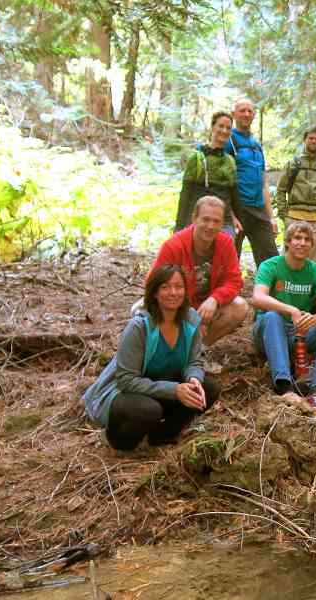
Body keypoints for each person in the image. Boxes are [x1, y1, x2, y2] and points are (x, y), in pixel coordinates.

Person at [83, 264, 221, 450]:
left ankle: (162, 436)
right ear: (154, 293)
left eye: (179, 287)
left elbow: (194, 361)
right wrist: (175, 390)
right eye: (165, 287)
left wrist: (193, 378)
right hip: (128, 391)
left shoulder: (190, 320)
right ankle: (116, 440)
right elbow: (126, 380)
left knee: (209, 388)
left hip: (162, 386)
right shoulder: (139, 327)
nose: (173, 293)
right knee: (148, 410)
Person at [251, 221, 316, 408]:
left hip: (299, 334)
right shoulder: (270, 266)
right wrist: (290, 309)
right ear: (287, 242)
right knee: (272, 316)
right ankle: (284, 386)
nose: (302, 243)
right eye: (297, 238)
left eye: (307, 239)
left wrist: (315, 318)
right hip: (268, 333)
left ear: (312, 245)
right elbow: (257, 298)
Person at [152, 196, 248, 345]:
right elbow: (154, 284)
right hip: (177, 305)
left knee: (239, 306)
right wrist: (189, 316)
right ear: (194, 219)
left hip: (207, 307)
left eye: (216, 221)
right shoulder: (174, 246)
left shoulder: (226, 243)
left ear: (222, 223)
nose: (210, 226)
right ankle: (164, 349)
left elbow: (234, 280)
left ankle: (198, 350)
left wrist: (215, 299)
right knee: (140, 310)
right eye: (205, 219)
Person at [226, 97, 278, 268]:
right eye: (242, 110)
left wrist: (271, 217)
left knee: (270, 258)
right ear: (234, 114)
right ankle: (228, 294)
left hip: (259, 210)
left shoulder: (256, 146)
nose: (247, 114)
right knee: (230, 258)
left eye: (250, 111)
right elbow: (224, 182)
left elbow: (263, 183)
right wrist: (230, 215)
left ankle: (271, 293)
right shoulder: (229, 141)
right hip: (238, 208)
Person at [174, 111, 242, 239]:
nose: (224, 130)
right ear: (212, 128)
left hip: (224, 220)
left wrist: (238, 218)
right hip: (200, 218)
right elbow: (186, 193)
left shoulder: (230, 161)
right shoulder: (197, 158)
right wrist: (179, 226)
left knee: (223, 255)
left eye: (228, 128)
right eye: (221, 126)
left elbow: (233, 194)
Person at [274, 126, 316, 263]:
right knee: (289, 257)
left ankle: (312, 284)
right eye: (311, 138)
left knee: (315, 259)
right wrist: (284, 215)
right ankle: (285, 284)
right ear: (304, 140)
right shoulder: (293, 164)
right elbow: (281, 189)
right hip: (294, 217)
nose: (313, 141)